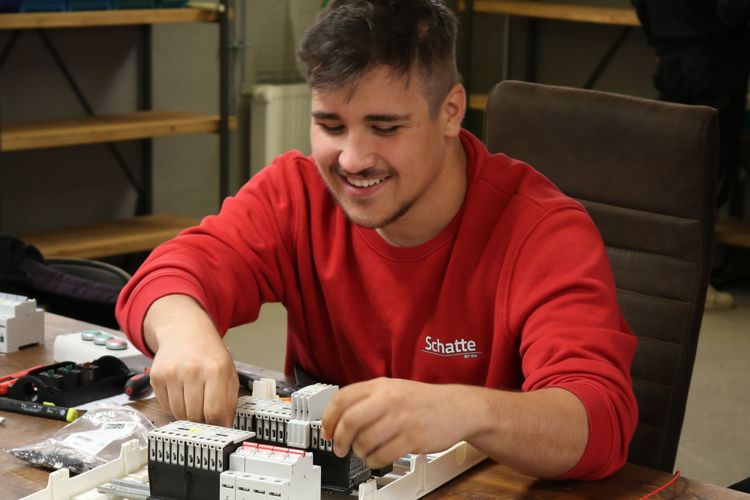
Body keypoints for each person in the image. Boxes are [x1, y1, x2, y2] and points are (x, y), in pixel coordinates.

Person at [116, 0, 637, 481]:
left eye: (385, 128)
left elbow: (599, 422)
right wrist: (185, 332)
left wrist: (465, 411)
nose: (352, 159)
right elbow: (168, 275)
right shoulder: (298, 194)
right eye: (330, 125)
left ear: (450, 111)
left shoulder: (543, 231)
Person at [632, 0, 750, 309]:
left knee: (675, 172)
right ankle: (695, 283)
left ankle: (670, 278)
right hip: (714, 63)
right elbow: (731, 10)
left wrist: (659, 39)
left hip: (672, 58)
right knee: (704, 176)